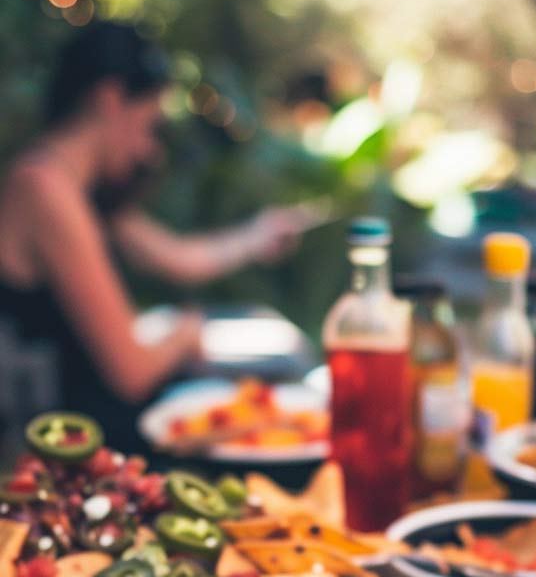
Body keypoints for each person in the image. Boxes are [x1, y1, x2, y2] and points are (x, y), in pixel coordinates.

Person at [0, 22, 308, 450]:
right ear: (109, 99)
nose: (150, 150)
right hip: (50, 453)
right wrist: (183, 332)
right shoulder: (45, 188)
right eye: (148, 125)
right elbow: (132, 372)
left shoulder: (79, 187)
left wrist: (256, 236)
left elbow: (179, 257)